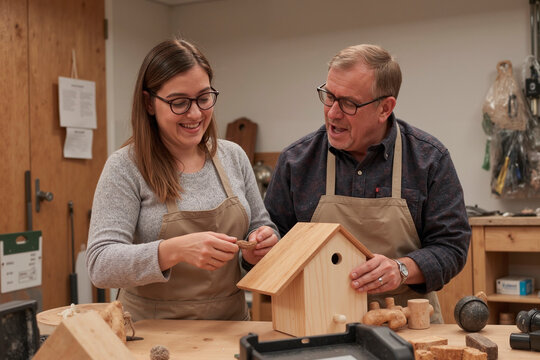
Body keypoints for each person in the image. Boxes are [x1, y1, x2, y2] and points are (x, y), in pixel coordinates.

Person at [264, 44, 471, 323]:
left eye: (348, 103)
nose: (333, 113)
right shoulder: (296, 161)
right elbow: (273, 245)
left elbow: (452, 247)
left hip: (407, 322)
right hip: (318, 323)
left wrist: (402, 268)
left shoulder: (428, 159)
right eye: (329, 97)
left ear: (385, 107)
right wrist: (262, 244)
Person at [86, 38, 279, 322]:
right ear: (149, 103)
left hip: (230, 325)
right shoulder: (125, 167)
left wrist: (260, 243)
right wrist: (173, 250)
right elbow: (100, 264)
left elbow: (260, 225)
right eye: (179, 103)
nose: (195, 114)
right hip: (151, 332)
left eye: (203, 98)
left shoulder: (233, 156)